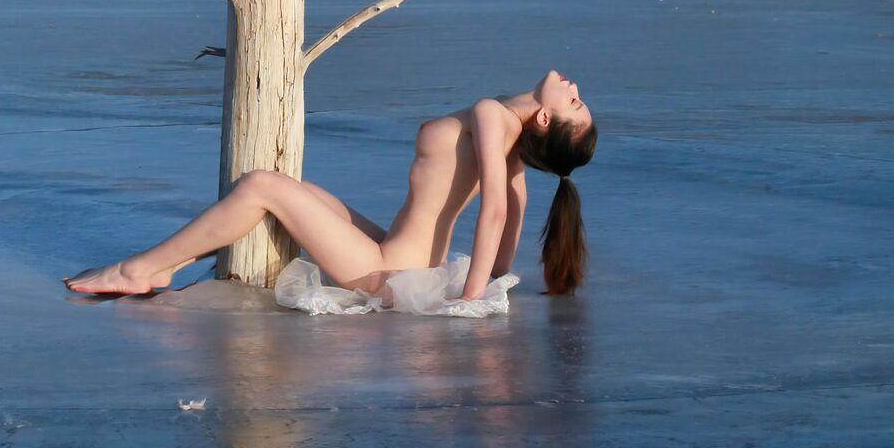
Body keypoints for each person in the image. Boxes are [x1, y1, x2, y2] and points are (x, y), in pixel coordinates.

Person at [64, 68, 597, 303]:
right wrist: (497, 275)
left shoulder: (492, 116)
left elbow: (498, 211)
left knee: (260, 186)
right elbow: (515, 208)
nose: (573, 87)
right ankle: (172, 263)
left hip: (388, 269)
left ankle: (139, 270)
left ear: (544, 119)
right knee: (292, 189)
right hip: (400, 257)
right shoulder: (510, 136)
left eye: (573, 102)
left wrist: (472, 300)